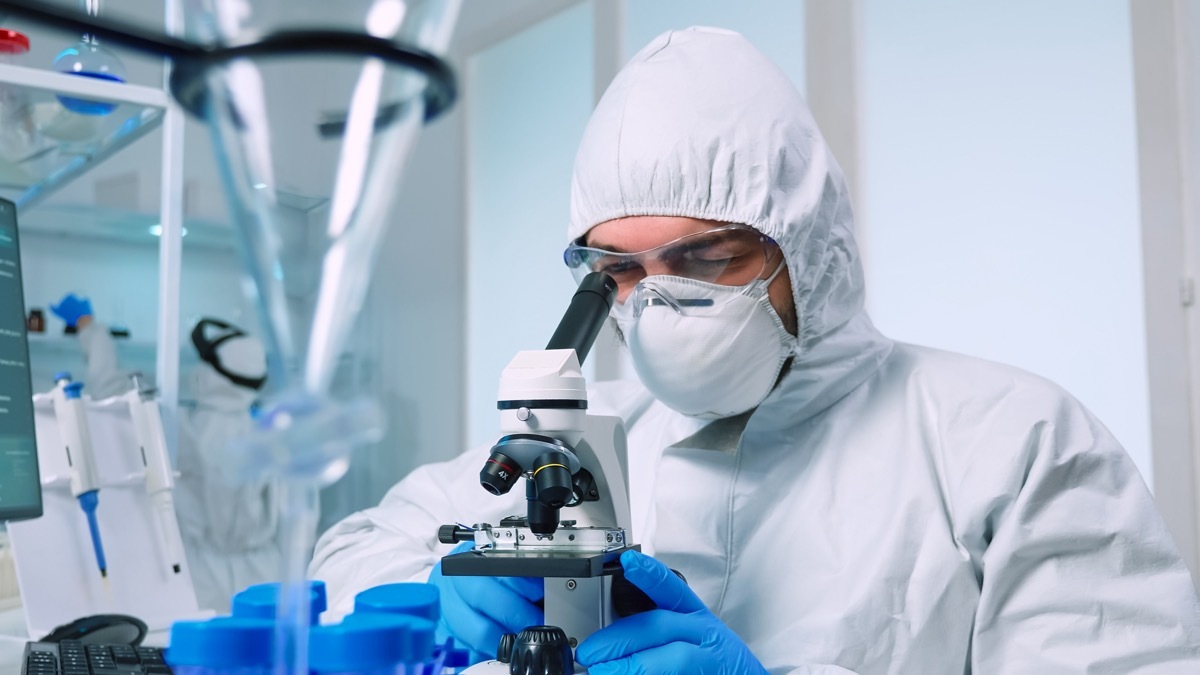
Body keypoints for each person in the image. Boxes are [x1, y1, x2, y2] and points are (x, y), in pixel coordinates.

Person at [308, 27, 1200, 673]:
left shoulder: (1011, 441)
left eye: (703, 257)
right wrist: (434, 583)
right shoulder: (607, 433)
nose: (658, 299)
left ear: (804, 245)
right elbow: (351, 547)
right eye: (620, 269)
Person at [51, 296, 283, 612]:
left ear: (210, 375)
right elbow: (299, 519)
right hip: (268, 575)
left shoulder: (183, 428)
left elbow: (111, 390)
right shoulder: (273, 435)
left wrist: (90, 328)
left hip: (201, 576)